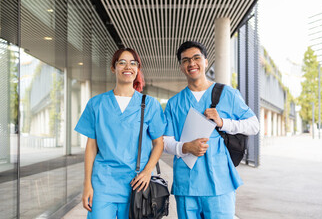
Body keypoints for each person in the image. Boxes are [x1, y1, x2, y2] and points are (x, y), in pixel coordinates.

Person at [163, 41, 260, 218]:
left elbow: (254, 125)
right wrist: (185, 147)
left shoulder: (227, 94)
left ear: (206, 62)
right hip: (186, 186)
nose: (191, 63)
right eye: (185, 60)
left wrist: (223, 122)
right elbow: (165, 141)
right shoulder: (174, 103)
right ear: (181, 67)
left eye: (196, 58)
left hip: (219, 183)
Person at [75, 48, 166, 219]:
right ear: (113, 67)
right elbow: (91, 146)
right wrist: (87, 183)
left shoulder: (150, 104)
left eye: (133, 63)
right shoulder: (96, 104)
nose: (128, 66)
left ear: (138, 69)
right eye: (122, 62)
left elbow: (158, 143)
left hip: (137, 184)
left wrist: (147, 171)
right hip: (103, 183)